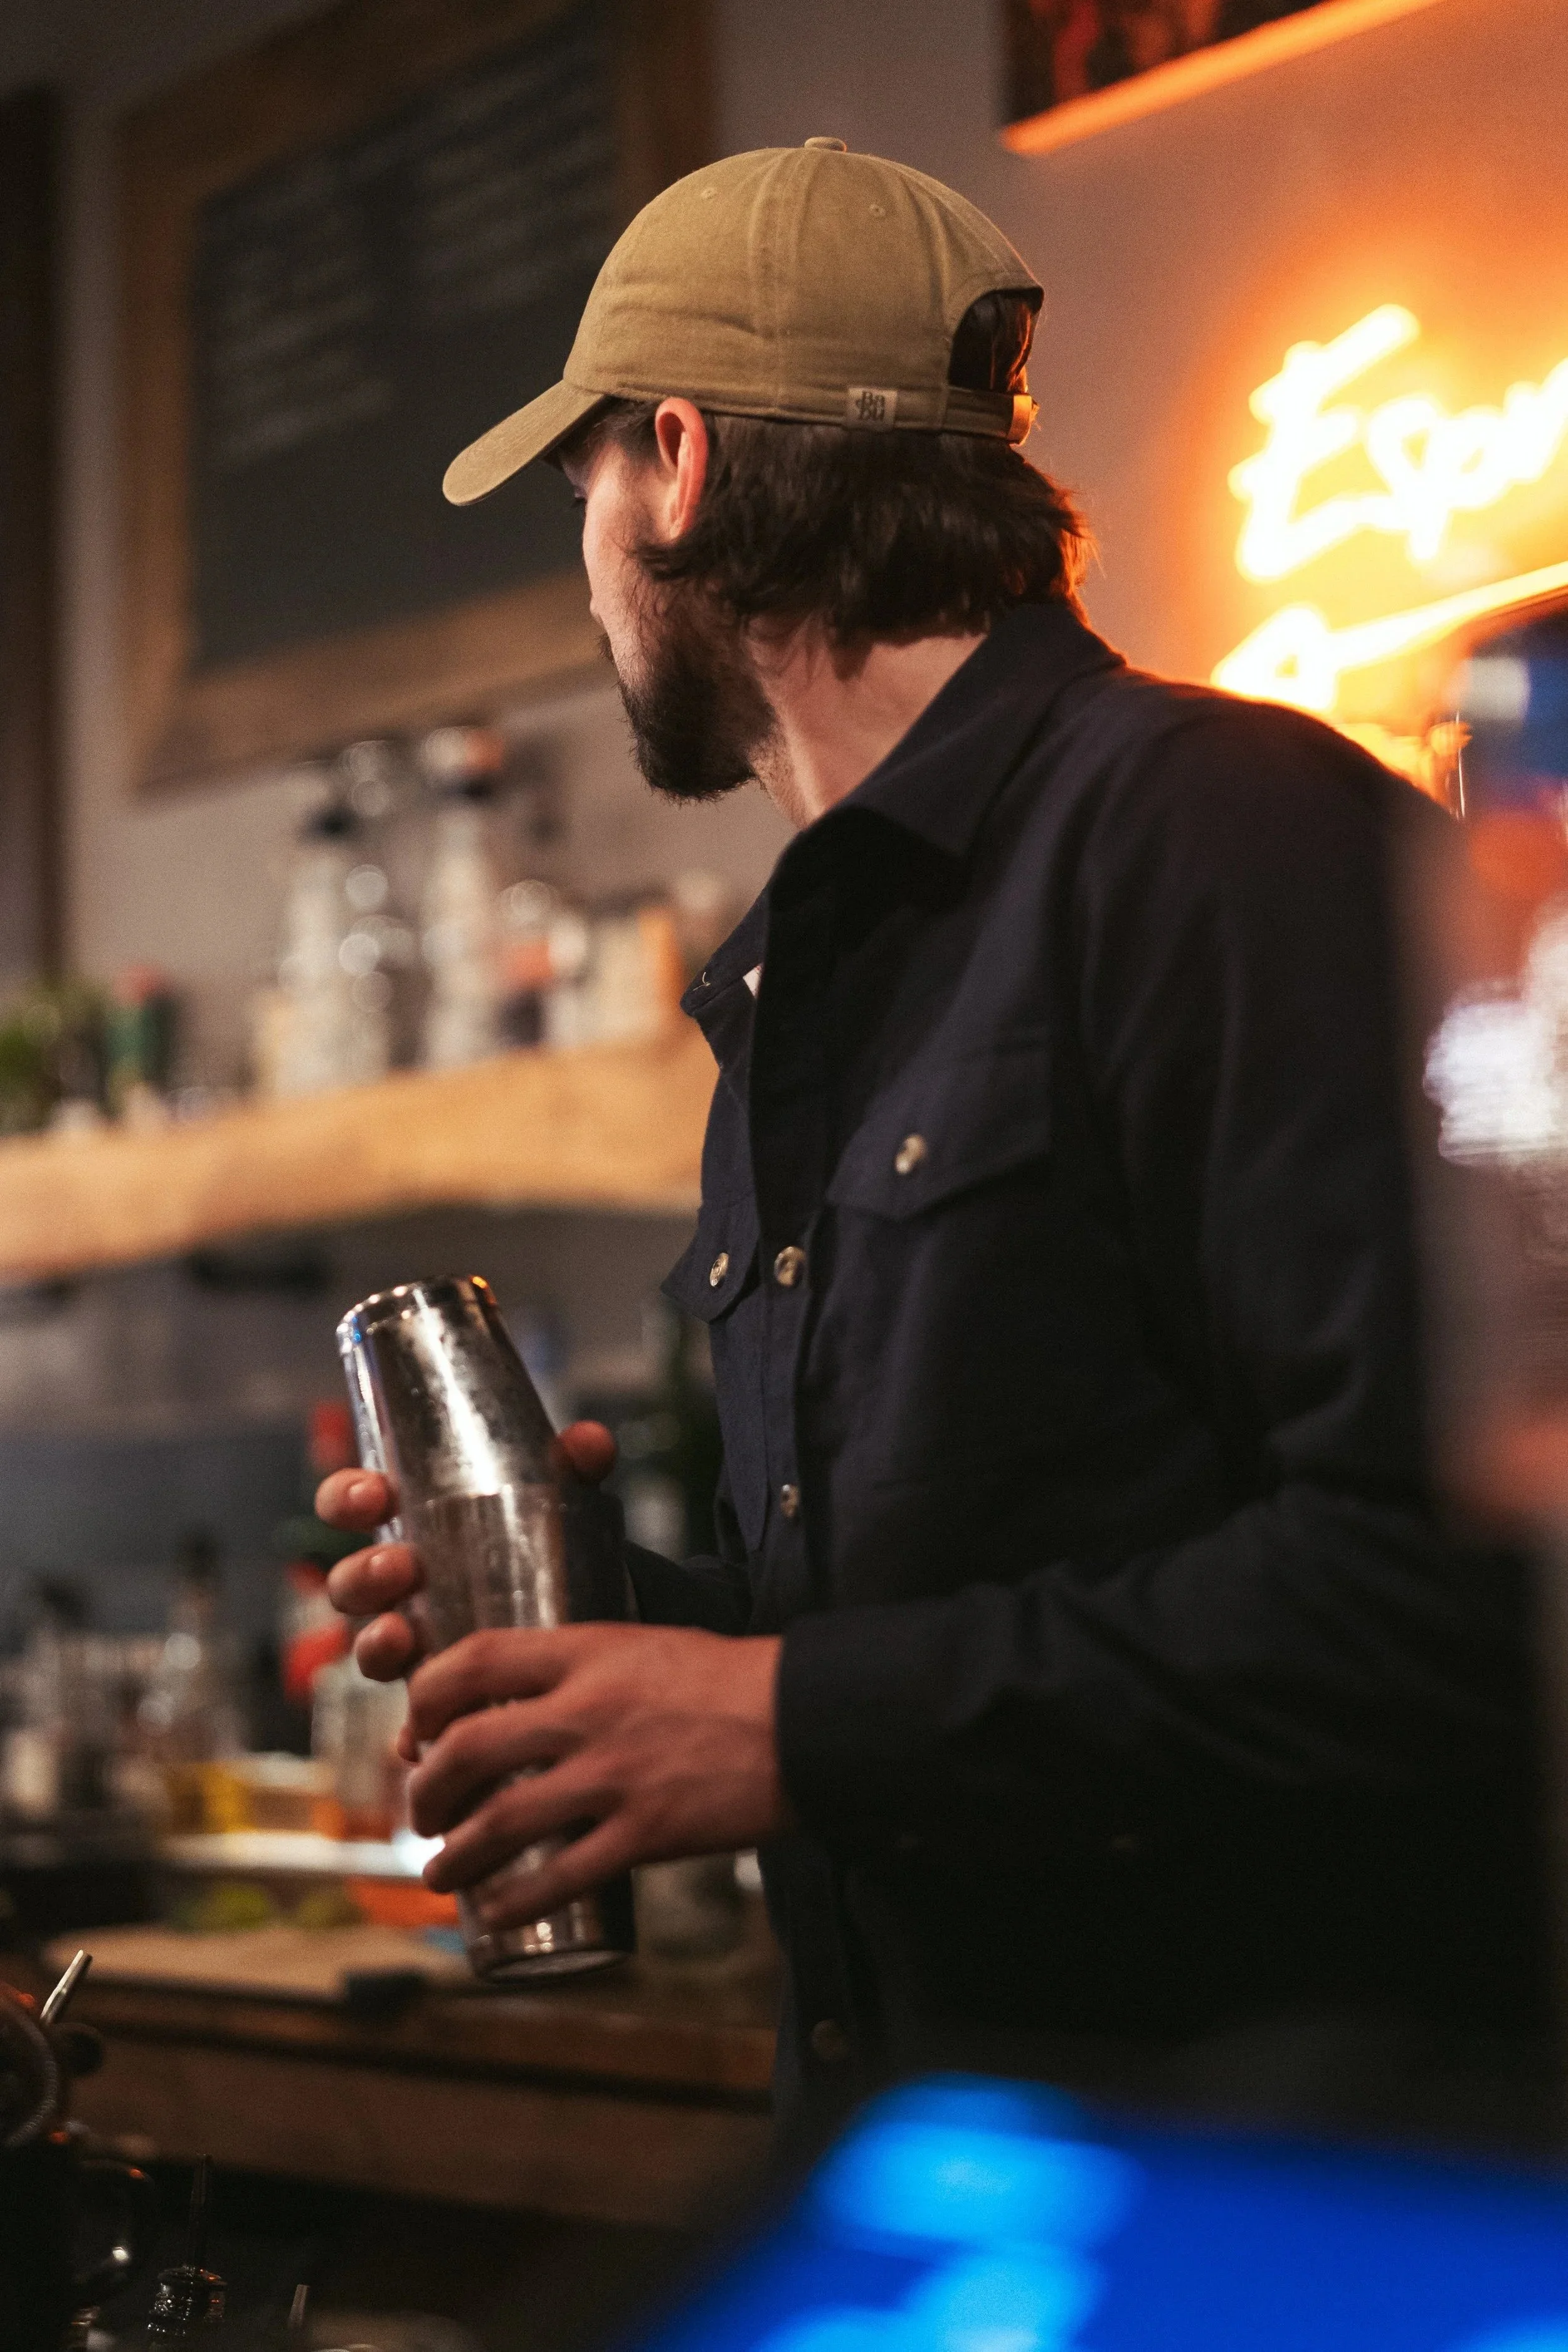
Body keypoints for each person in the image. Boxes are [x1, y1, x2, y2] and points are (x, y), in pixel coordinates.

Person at [317, 140, 1550, 2158]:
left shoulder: (1221, 838)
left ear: (685, 467)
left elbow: (1466, 1585)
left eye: (585, 485)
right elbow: (970, 1603)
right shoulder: (813, 983)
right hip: (956, 2194)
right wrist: (640, 1639)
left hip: (1285, 2216)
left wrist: (783, 1722)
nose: (589, 559)